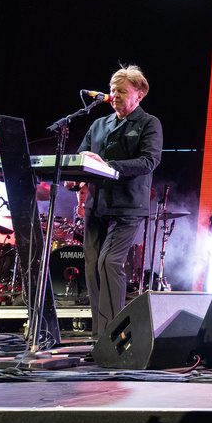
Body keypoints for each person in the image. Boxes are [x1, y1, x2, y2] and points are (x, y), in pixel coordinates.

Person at [67, 64, 162, 338]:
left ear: (139, 94)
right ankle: (100, 337)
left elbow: (149, 161)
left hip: (128, 206)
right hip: (96, 206)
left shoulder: (149, 123)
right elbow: (81, 158)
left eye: (121, 91)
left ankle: (113, 337)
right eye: (111, 90)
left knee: (109, 263)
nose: (114, 95)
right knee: (91, 265)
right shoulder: (99, 124)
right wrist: (74, 178)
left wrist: (107, 165)